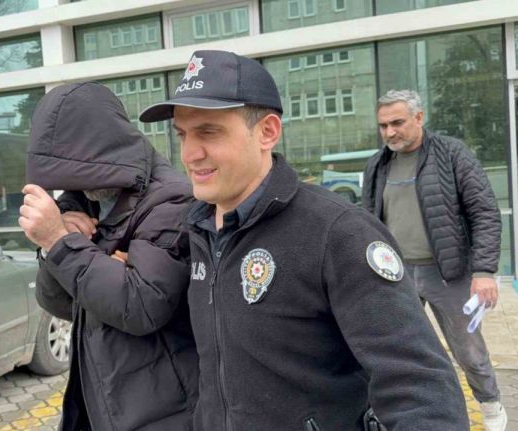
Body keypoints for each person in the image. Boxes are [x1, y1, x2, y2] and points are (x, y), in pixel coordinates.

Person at [139, 50, 468, 430]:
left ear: (267, 132)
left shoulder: (338, 233)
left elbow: (420, 387)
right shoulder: (197, 230)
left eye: (208, 132)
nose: (190, 154)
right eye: (182, 135)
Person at [20, 82, 198, 431]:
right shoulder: (81, 202)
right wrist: (54, 246)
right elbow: (61, 304)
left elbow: (140, 306)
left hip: (162, 410)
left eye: (79, 170)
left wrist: (61, 242)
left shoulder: (170, 200)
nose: (75, 183)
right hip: (100, 397)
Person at [362, 89, 506, 431]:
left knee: (468, 352)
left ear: (419, 117)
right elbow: (367, 219)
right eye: (383, 125)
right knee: (399, 350)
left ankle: (491, 406)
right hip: (395, 274)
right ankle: (413, 412)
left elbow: (484, 212)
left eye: (397, 122)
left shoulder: (451, 154)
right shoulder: (377, 164)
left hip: (447, 273)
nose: (390, 132)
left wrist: (484, 271)